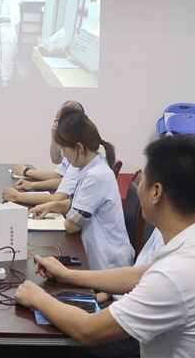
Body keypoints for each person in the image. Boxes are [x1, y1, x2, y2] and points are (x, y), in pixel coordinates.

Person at [15, 135, 195, 358]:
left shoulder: (176, 277)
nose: (139, 187)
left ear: (156, 192)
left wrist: (37, 297)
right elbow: (139, 276)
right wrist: (67, 275)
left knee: (43, 347)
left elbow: (87, 330)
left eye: (143, 179)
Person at [29, 110, 133, 271]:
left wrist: (63, 212)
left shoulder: (95, 176)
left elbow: (72, 226)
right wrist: (52, 206)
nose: (64, 155)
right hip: (101, 256)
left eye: (64, 150)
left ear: (79, 148)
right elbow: (74, 204)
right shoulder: (91, 167)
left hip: (108, 265)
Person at [4, 101, 85, 207]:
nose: (63, 156)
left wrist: (17, 196)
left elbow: (58, 198)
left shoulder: (79, 160)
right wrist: (32, 185)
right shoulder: (78, 151)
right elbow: (64, 180)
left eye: (57, 121)